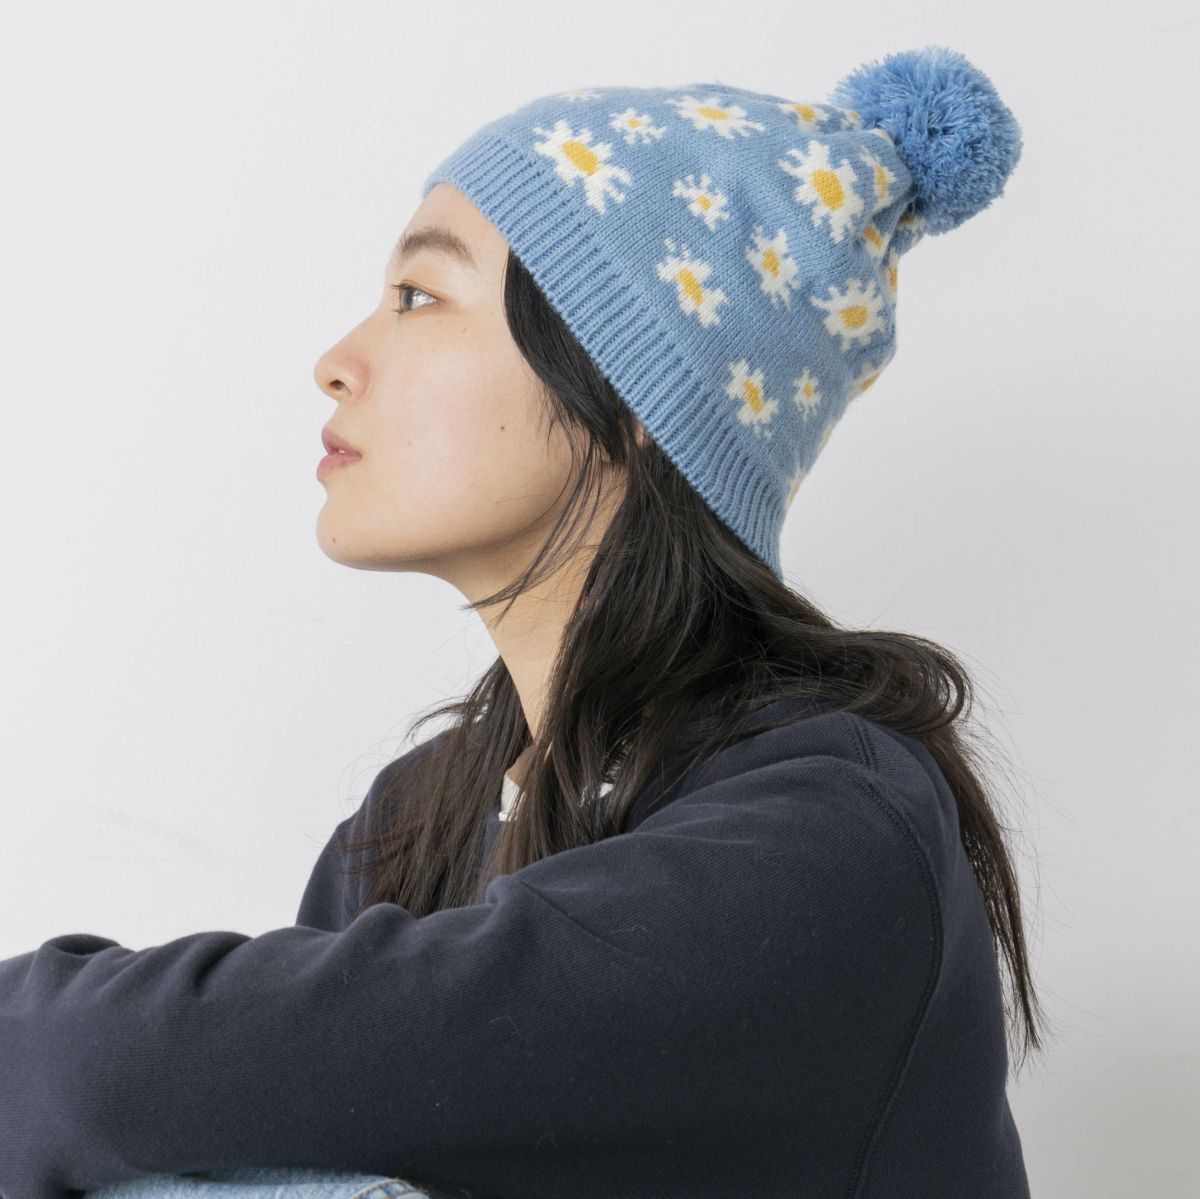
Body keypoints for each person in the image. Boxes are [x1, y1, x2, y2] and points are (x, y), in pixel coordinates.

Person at [0, 44, 1044, 1199]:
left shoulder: (824, 841)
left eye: (418, 297)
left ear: (634, 392)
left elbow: (96, 1073)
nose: (337, 362)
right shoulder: (413, 821)